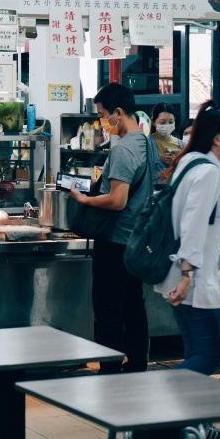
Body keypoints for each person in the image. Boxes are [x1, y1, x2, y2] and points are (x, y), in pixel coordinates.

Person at [153, 102, 220, 439]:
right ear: (217, 138)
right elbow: (192, 224)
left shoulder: (189, 166)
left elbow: (199, 221)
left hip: (182, 274)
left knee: (195, 355)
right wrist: (189, 274)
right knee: (209, 356)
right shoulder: (207, 172)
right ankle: (151, 417)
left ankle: (183, 428)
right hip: (193, 280)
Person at [69, 82, 152, 374]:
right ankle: (138, 363)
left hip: (116, 241)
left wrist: (84, 199)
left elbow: (118, 201)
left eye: (104, 115)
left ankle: (109, 369)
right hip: (138, 239)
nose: (104, 122)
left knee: (108, 309)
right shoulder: (147, 143)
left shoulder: (123, 149)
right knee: (133, 304)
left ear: (118, 112)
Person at [148, 102, 185, 187]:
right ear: (154, 122)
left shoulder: (181, 145)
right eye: (162, 123)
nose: (167, 126)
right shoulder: (146, 144)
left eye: (171, 122)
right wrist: (160, 161)